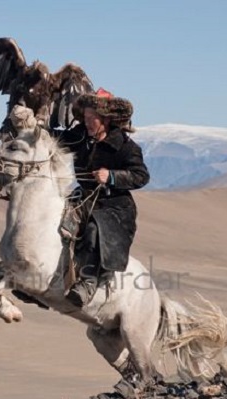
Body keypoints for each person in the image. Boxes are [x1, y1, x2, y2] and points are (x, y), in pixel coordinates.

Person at [56, 88, 150, 307]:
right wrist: (32, 126)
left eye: (92, 119)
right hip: (83, 198)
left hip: (115, 207)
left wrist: (112, 176)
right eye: (85, 118)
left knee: (92, 231)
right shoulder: (80, 137)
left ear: (105, 120)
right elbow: (56, 137)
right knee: (56, 222)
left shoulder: (126, 147)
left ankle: (89, 283)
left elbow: (141, 176)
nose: (87, 123)